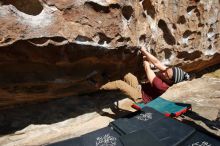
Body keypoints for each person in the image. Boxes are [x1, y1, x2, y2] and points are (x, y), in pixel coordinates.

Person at [100, 47, 190, 103]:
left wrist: (145, 60)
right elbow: (157, 62)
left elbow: (147, 69)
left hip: (140, 97)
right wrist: (144, 51)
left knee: (120, 84)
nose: (164, 72)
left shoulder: (161, 86)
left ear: (170, 80)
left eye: (166, 74)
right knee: (127, 75)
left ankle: (98, 86)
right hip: (140, 88)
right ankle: (106, 78)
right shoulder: (169, 72)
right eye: (166, 70)